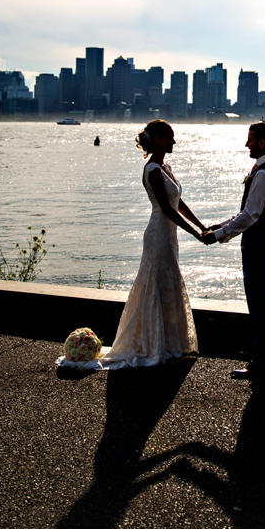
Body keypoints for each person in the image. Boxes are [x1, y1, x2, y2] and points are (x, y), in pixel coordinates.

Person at [79, 120, 204, 369]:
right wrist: (195, 233)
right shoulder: (153, 170)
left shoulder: (166, 167)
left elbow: (179, 202)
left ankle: (169, 342)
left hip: (169, 236)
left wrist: (201, 225)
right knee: (156, 284)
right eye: (170, 136)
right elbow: (167, 209)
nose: (174, 141)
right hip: (158, 234)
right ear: (157, 139)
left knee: (168, 283)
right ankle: (154, 344)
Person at [202, 122, 265, 381]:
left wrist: (217, 236)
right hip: (263, 238)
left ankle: (260, 361)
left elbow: (251, 215)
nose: (246, 144)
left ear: (262, 142)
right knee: (261, 299)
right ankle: (261, 357)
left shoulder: (263, 174)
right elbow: (249, 212)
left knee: (258, 302)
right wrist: (223, 225)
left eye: (250, 140)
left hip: (258, 241)